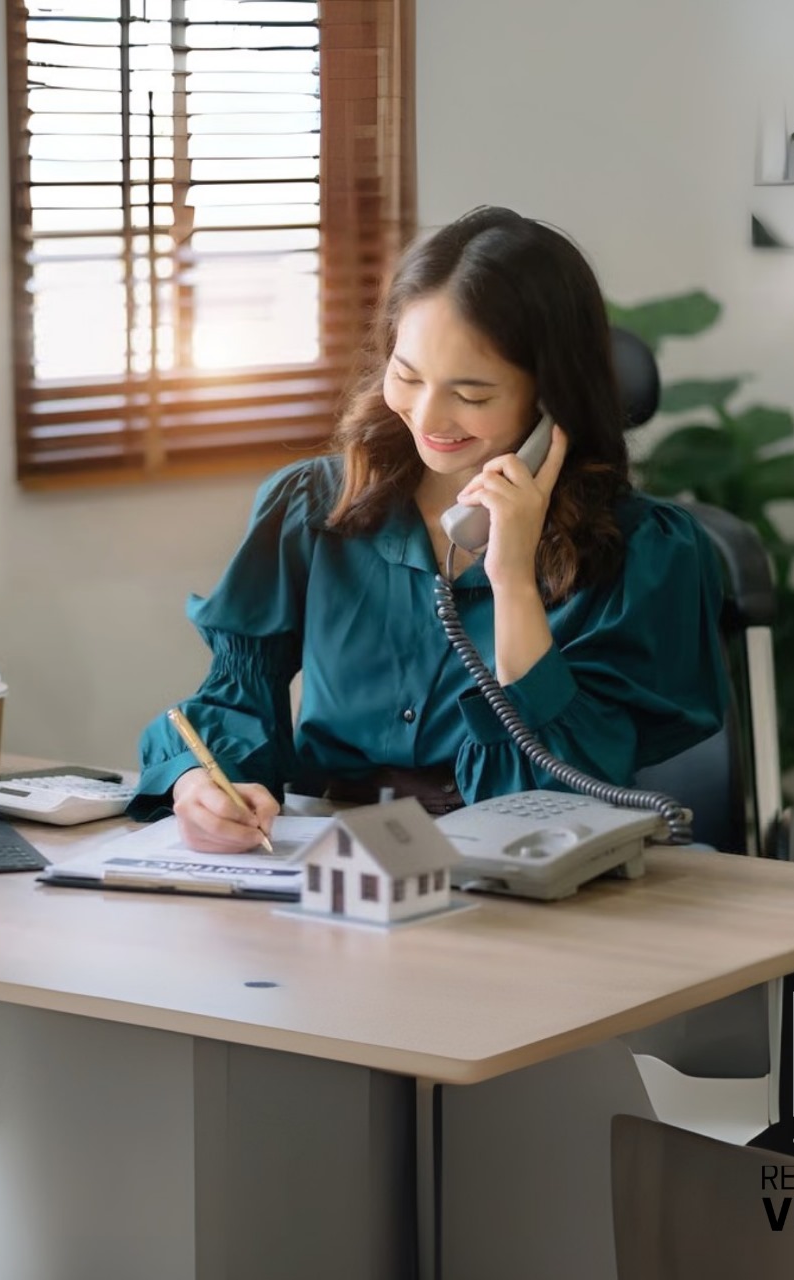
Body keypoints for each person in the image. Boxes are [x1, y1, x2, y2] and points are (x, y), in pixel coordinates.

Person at [131, 206, 729, 852]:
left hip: (530, 881)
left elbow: (574, 789)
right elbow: (236, 696)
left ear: (552, 393)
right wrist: (205, 783)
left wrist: (514, 583)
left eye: (472, 395)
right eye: (408, 377)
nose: (429, 416)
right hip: (335, 863)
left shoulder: (647, 551)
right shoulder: (313, 506)